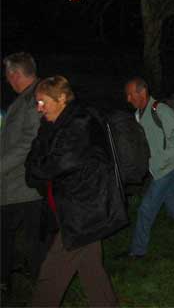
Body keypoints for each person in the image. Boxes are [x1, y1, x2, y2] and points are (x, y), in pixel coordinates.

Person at [25, 76, 128, 307]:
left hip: (83, 211)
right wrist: (37, 166)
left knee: (50, 275)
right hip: (72, 210)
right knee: (91, 268)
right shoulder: (53, 124)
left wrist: (37, 168)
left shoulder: (80, 122)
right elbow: (34, 161)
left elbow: (56, 164)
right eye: (36, 103)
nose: (38, 108)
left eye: (43, 102)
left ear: (61, 98)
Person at [124, 77, 174, 258]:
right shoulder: (139, 114)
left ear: (142, 92)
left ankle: (137, 251)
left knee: (146, 209)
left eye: (131, 94)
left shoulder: (160, 110)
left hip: (167, 168)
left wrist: (161, 159)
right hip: (161, 168)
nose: (128, 99)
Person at [1, 53, 49, 296]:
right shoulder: (25, 98)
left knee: (33, 240)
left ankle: (42, 286)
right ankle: (10, 279)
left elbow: (29, 142)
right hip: (15, 184)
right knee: (12, 236)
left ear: (15, 74)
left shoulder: (36, 98)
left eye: (8, 76)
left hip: (26, 185)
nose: (7, 81)